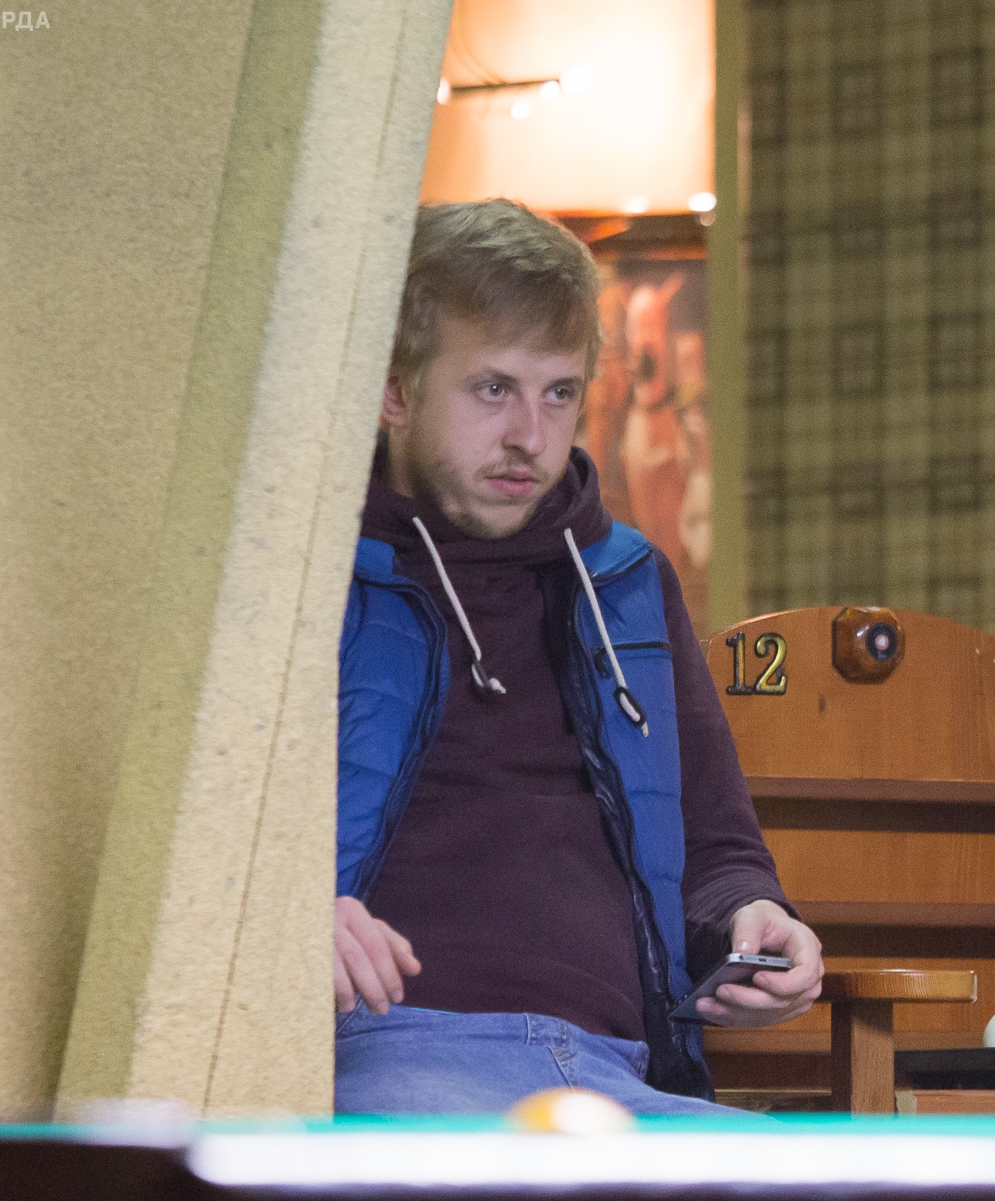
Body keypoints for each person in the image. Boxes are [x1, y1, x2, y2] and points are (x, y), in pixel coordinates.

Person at [332, 200, 821, 1116]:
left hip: (623, 1071)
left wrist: (755, 918)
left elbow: (718, 847)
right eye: (493, 389)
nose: (531, 435)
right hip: (397, 1052)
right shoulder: (311, 574)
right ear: (394, 392)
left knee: (849, 1195)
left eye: (559, 393)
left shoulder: (628, 578)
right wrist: (294, 917)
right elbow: (204, 854)